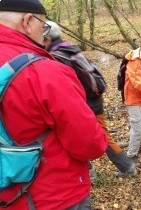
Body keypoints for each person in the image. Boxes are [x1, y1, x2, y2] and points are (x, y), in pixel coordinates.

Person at [0, 0, 108, 209]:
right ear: (28, 21)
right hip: (53, 196)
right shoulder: (44, 72)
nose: (45, 33)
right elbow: (90, 144)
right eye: (44, 25)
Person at [43, 21, 137, 178]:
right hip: (95, 99)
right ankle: (127, 167)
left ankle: (90, 171)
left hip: (82, 103)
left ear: (47, 39)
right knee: (102, 135)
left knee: (74, 137)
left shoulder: (56, 57)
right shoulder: (70, 48)